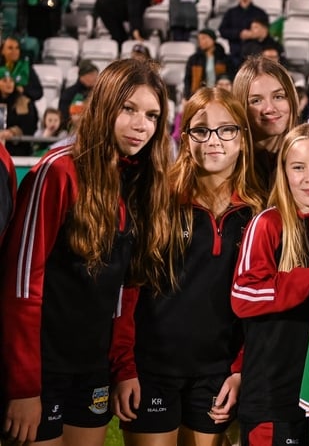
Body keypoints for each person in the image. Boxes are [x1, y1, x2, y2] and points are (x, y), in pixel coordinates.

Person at [0, 58, 173, 446]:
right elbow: (22, 285)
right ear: (105, 105)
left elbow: (124, 293)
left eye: (152, 114)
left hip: (92, 371)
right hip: (42, 372)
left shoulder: (142, 186)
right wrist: (24, 385)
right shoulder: (58, 171)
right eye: (128, 109)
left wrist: (122, 367)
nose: (140, 124)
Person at [110, 86, 266, 446]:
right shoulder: (159, 199)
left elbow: (259, 306)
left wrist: (241, 367)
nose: (214, 140)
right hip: (152, 370)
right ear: (185, 135)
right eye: (201, 129)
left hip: (216, 373)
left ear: (242, 138)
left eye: (227, 129)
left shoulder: (258, 213)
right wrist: (125, 366)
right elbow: (129, 289)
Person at [230, 123, 309, 446]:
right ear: (284, 171)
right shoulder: (267, 223)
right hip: (271, 398)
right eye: (298, 167)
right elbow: (243, 295)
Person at [232, 55, 300, 188]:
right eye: (256, 101)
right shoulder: (231, 161)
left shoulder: (307, 153)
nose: (270, 108)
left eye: (278, 97)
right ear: (241, 106)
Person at [218, 0, 269, 66]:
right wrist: (239, 34)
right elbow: (222, 31)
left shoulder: (260, 13)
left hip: (255, 54)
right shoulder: (230, 13)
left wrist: (252, 34)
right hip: (235, 55)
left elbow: (266, 32)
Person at [184, 28, 235, 98]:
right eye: (199, 39)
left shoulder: (224, 58)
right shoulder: (194, 59)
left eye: (204, 38)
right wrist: (186, 97)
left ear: (212, 39)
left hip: (220, 94)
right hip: (200, 95)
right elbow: (188, 79)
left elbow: (231, 76)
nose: (201, 41)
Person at [0, 66, 39, 143]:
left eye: (11, 80)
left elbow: (30, 126)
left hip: (17, 146)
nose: (9, 84)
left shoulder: (24, 101)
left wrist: (13, 132)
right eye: (4, 80)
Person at [59, 60, 99, 130]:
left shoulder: (99, 93)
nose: (95, 78)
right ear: (82, 76)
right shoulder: (69, 93)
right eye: (92, 75)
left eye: (96, 75)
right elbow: (63, 116)